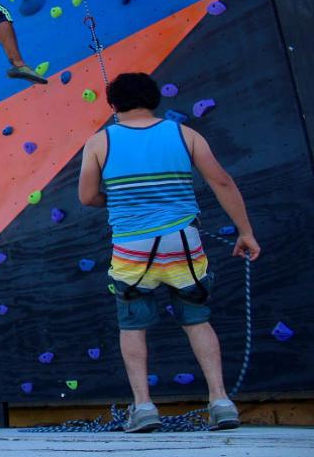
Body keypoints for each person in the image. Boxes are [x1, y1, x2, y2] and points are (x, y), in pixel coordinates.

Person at [78, 72, 261, 433]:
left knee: (132, 325)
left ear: (113, 105)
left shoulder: (99, 143)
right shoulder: (186, 135)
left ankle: (144, 407)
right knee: (196, 318)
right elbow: (222, 181)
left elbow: (87, 197)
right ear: (154, 99)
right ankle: (220, 401)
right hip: (184, 245)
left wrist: (119, 199)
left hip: (132, 250)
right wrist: (246, 233)